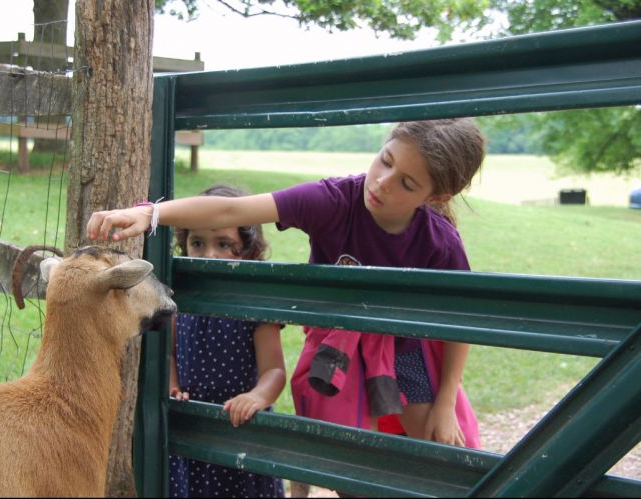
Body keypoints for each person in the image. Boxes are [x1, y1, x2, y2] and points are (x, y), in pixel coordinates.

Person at [87, 118, 483, 450]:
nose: (382, 182)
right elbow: (232, 208)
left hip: (402, 345)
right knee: (341, 454)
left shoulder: (439, 241)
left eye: (407, 184)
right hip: (334, 343)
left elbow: (460, 320)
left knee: (434, 444)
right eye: (385, 161)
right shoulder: (334, 201)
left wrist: (446, 400)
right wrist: (152, 213)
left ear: (436, 196)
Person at [165, 184, 287, 498]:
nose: (209, 255)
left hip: (241, 430)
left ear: (248, 249)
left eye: (224, 243)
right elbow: (170, 355)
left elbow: (274, 370)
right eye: (197, 242)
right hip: (195, 428)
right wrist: (173, 386)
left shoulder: (255, 301)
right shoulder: (182, 296)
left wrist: (257, 397)